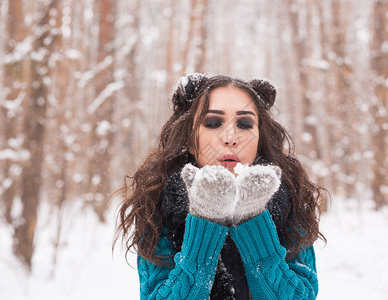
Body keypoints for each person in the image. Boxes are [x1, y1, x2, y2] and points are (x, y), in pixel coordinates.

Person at [114, 73, 327, 299]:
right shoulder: (159, 204)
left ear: (260, 139)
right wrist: (205, 219)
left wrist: (253, 218)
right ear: (191, 141)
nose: (230, 138)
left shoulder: (289, 199)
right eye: (213, 123)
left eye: (244, 124)